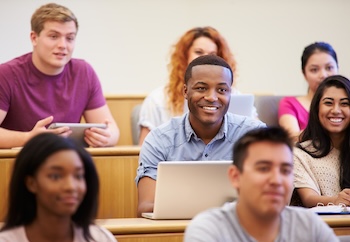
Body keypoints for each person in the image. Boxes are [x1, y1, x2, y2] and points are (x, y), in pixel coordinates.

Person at [135, 55, 266, 217]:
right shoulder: (159, 140)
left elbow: (269, 198)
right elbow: (145, 206)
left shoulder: (255, 135)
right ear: (185, 91)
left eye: (222, 90)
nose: (212, 97)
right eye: (201, 88)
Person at [184, 127, 338, 242]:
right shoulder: (208, 231)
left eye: (285, 170)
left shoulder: (310, 227)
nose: (276, 180)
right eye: (264, 169)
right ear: (236, 176)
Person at [0, 3, 119, 149]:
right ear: (34, 38)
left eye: (69, 38)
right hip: (19, 163)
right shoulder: (6, 74)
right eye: (54, 36)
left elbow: (112, 130)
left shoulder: (84, 72)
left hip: (68, 161)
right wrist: (28, 138)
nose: (63, 45)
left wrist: (106, 137)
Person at [138, 26, 257, 145]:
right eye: (198, 52)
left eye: (212, 54)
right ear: (185, 56)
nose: (205, 58)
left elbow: (258, 135)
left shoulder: (233, 95)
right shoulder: (157, 98)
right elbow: (145, 147)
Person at [0, 133, 117, 241]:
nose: (70, 187)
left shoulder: (100, 238)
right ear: (31, 183)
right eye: (55, 176)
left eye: (78, 176)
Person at [291, 75, 350, 208]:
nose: (336, 110)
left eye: (345, 103)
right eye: (328, 103)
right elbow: (309, 198)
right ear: (317, 108)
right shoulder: (300, 153)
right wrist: (336, 200)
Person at [278, 42, 338, 141]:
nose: (323, 75)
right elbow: (292, 137)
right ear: (304, 73)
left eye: (329, 68)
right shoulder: (289, 103)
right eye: (314, 70)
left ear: (337, 67)